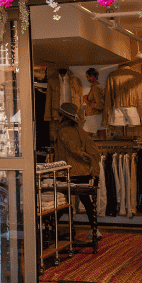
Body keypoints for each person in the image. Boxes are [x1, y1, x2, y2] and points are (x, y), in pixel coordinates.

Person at [54, 102, 102, 239]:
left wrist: (86, 158)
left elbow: (73, 150)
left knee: (62, 201)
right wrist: (90, 161)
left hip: (68, 171)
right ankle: (94, 230)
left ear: (63, 116)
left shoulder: (63, 131)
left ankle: (49, 228)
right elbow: (90, 148)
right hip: (83, 171)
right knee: (86, 201)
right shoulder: (79, 130)